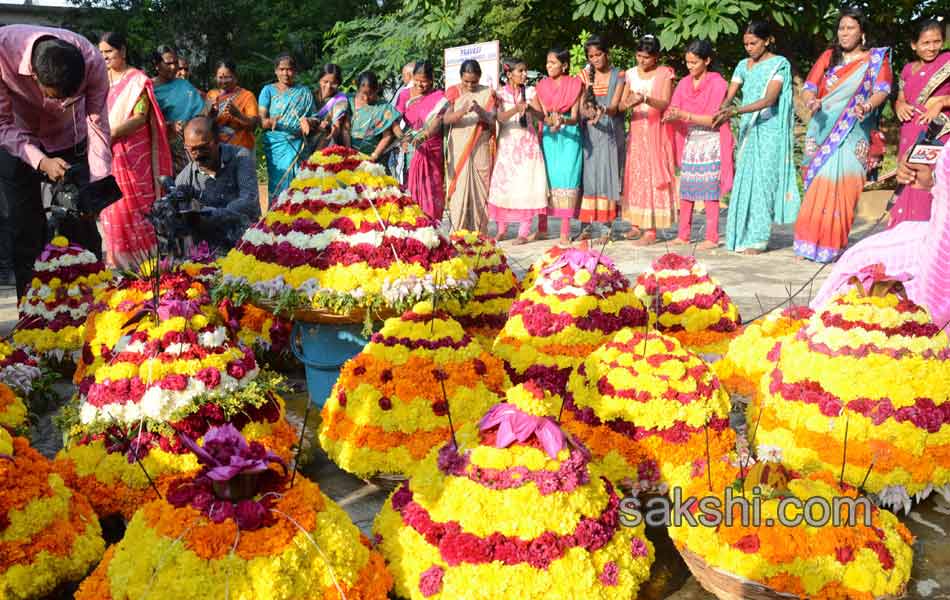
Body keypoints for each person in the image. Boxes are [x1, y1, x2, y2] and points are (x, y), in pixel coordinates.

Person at [0, 25, 112, 297]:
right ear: (35, 77)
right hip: (16, 140)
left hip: (69, 139)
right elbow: (1, 124)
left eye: (71, 97)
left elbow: (96, 124)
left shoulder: (92, 60)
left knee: (82, 223)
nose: (63, 104)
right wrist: (41, 161)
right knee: (24, 228)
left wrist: (98, 181)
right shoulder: (2, 53)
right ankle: (32, 313)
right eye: (57, 96)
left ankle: (97, 304)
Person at [794, 7, 892, 262]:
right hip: (824, 129)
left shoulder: (876, 59)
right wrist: (811, 101)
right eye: (841, 28)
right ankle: (807, 243)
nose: (844, 33)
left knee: (846, 187)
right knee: (819, 185)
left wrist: (868, 105)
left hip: (855, 130)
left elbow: (882, 89)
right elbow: (809, 86)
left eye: (850, 28)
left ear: (862, 33)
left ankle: (832, 245)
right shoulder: (829, 56)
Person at [812, 150, 948, 328]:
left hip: (941, 266)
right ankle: (816, 328)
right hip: (936, 236)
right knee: (860, 257)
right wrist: (932, 182)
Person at [714, 21, 800, 255]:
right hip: (748, 131)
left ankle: (759, 239)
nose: (749, 48)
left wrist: (735, 111)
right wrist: (722, 110)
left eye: (754, 43)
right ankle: (739, 234)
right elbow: (729, 96)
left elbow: (770, 100)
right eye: (746, 44)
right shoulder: (743, 65)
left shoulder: (779, 65)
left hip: (769, 130)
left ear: (767, 40)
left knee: (762, 184)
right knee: (745, 181)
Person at [98, 31, 173, 270]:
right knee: (112, 206)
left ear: (123, 51)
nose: (105, 57)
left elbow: (140, 117)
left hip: (133, 155)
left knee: (136, 205)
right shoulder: (100, 80)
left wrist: (110, 135)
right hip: (108, 155)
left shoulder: (137, 80)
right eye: (101, 53)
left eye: (109, 52)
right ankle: (118, 263)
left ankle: (146, 265)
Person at [664, 39, 734, 250]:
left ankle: (711, 237)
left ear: (707, 61)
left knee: (710, 191)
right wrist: (670, 116)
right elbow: (674, 108)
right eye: (687, 62)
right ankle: (683, 234)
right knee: (687, 190)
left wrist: (684, 114)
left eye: (694, 62)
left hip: (711, 140)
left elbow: (714, 119)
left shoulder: (718, 83)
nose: (690, 66)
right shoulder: (684, 83)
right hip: (691, 140)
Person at [891, 18, 949, 227]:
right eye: (926, 43)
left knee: (924, 183)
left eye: (937, 41)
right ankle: (901, 240)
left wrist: (941, 102)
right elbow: (901, 98)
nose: (932, 47)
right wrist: (899, 106)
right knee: (906, 182)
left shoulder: (947, 62)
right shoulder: (907, 69)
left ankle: (930, 243)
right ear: (913, 45)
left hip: (934, 135)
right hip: (909, 132)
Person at [619, 34, 676, 245]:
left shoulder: (664, 74)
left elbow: (665, 103)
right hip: (636, 131)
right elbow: (622, 104)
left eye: (646, 57)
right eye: (639, 56)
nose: (641, 61)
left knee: (652, 176)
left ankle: (651, 230)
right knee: (635, 176)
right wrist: (630, 103)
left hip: (655, 131)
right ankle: (635, 223)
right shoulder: (631, 74)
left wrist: (645, 99)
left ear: (656, 57)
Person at [175, 116, 260, 250]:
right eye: (191, 149)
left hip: (246, 241)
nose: (198, 154)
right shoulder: (184, 178)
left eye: (203, 147)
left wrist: (211, 215)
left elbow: (249, 201)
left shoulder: (240, 157)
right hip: (209, 250)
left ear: (218, 140)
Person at [488, 58, 548, 244]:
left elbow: (542, 116)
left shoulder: (530, 92)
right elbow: (499, 118)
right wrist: (516, 108)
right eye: (520, 71)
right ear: (509, 74)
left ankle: (523, 232)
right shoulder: (499, 94)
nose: (524, 74)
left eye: (525, 71)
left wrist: (529, 108)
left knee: (526, 186)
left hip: (527, 146)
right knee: (503, 186)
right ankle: (502, 230)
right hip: (507, 144)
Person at [531, 47, 584, 245]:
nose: (549, 66)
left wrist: (562, 120)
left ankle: (564, 231)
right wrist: (550, 121)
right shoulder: (541, 86)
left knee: (568, 180)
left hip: (570, 135)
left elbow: (576, 116)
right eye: (547, 63)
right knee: (547, 180)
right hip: (549, 137)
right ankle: (542, 228)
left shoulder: (575, 84)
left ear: (565, 65)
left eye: (553, 63)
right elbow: (544, 114)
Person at [577, 35, 626, 238]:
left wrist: (602, 110)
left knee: (608, 176)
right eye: (591, 56)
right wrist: (587, 113)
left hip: (610, 133)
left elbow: (615, 106)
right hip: (590, 133)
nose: (595, 59)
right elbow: (581, 105)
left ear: (607, 54)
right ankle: (586, 227)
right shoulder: (584, 76)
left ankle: (607, 227)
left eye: (599, 54)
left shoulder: (619, 75)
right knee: (588, 178)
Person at [444, 59, 496, 233]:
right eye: (466, 81)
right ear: (460, 77)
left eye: (474, 81)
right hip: (459, 146)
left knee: (482, 188)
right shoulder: (453, 92)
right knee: (459, 190)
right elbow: (445, 119)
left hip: (480, 145)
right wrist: (462, 111)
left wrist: (479, 110)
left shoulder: (488, 93)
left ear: (479, 77)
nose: (470, 85)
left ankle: (479, 232)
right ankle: (458, 231)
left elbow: (491, 119)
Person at [395, 61, 448, 221]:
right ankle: (415, 224)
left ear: (432, 79)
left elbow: (437, 122)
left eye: (424, 81)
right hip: (410, 148)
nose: (420, 84)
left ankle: (432, 223)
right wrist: (402, 137)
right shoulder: (404, 95)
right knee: (411, 188)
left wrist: (423, 136)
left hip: (431, 148)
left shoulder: (439, 97)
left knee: (432, 190)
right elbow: (394, 121)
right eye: (416, 80)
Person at [258, 54, 315, 203]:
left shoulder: (304, 92)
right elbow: (261, 121)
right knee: (278, 184)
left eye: (289, 69)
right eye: (281, 69)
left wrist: (308, 120)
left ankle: (299, 220)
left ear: (295, 71)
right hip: (277, 145)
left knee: (300, 185)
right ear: (275, 71)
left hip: (299, 144)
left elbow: (315, 118)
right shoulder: (268, 91)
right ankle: (276, 220)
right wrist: (270, 121)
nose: (285, 73)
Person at [152, 45, 206, 172]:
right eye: (168, 63)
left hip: (193, 141)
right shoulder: (150, 88)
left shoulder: (184, 85)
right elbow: (147, 120)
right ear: (157, 65)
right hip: (165, 146)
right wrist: (169, 125)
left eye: (175, 63)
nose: (173, 67)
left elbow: (201, 111)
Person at [206, 60, 259, 152]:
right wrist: (211, 114)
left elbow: (253, 126)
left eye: (227, 77)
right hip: (217, 151)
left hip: (242, 150)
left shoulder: (247, 96)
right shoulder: (211, 95)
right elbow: (204, 123)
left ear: (235, 77)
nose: (224, 81)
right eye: (220, 77)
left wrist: (237, 114)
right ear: (215, 78)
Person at [348, 71, 400, 163]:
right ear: (358, 89)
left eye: (371, 93)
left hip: (370, 158)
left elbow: (387, 136)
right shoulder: (348, 101)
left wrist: (374, 156)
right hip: (346, 154)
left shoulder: (384, 108)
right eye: (363, 93)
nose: (366, 98)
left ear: (377, 89)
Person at [300, 63, 349, 150]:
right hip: (304, 141)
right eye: (325, 82)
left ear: (339, 83)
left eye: (333, 83)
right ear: (319, 80)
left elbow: (337, 126)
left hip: (326, 143)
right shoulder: (310, 95)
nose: (328, 86)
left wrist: (329, 127)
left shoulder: (340, 99)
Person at [389, 61, 417, 182]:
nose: (403, 79)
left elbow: (394, 117)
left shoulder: (404, 92)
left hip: (406, 139)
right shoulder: (405, 91)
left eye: (403, 75)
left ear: (409, 75)